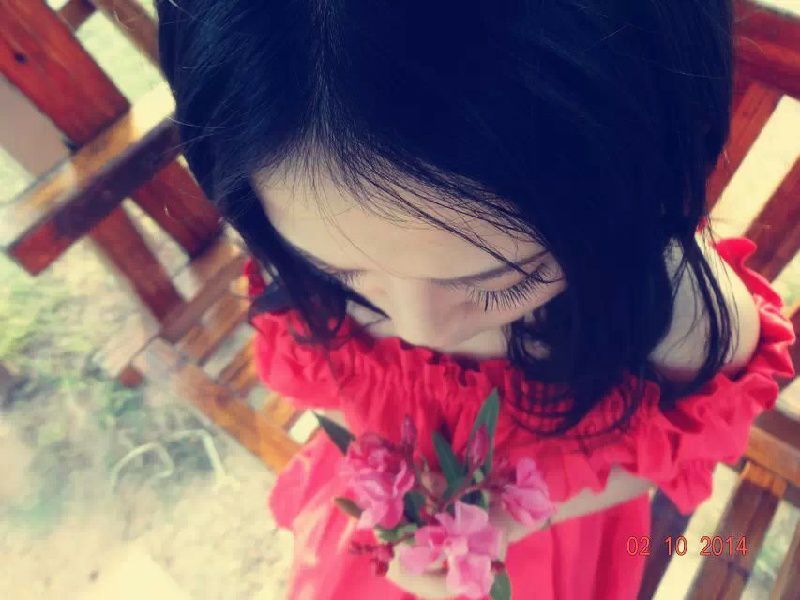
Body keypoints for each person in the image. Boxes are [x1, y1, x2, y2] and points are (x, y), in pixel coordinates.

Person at [155, 1, 796, 598]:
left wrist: (514, 515)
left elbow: (679, 448)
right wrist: (388, 488)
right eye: (340, 274)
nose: (418, 330)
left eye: (503, 281)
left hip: (552, 548)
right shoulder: (298, 239)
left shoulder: (672, 319)